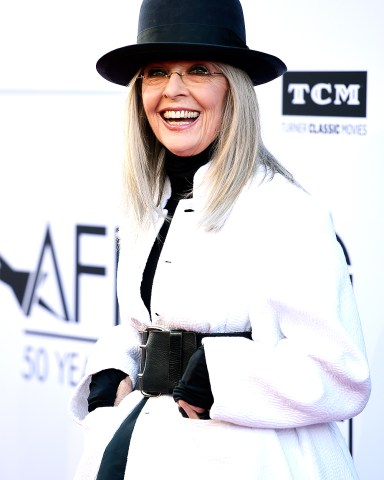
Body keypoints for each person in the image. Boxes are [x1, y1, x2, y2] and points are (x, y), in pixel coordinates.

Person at [70, 0, 371, 478]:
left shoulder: (287, 210)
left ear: (234, 89)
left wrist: (218, 379)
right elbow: (149, 322)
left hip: (249, 461)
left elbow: (340, 373)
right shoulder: (146, 203)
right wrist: (113, 369)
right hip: (141, 444)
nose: (173, 90)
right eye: (156, 72)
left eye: (198, 70)